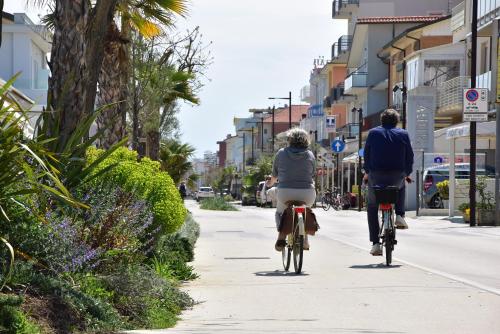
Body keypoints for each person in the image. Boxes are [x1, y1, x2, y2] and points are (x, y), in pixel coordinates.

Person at [363, 109, 414, 256]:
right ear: (396, 121)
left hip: (376, 175)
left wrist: (368, 171)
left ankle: (375, 244)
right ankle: (399, 215)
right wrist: (406, 173)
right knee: (401, 186)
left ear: (381, 120)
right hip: (397, 174)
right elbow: (409, 156)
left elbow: (367, 154)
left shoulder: (373, 133)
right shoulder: (403, 134)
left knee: (372, 207)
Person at [266, 128, 316, 251]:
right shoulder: (310, 154)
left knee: (280, 212)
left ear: (289, 140)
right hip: (307, 193)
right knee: (305, 210)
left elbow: (274, 175)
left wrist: (270, 183)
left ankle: (281, 236)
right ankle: (305, 240)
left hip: (285, 192)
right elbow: (313, 174)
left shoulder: (281, 153)